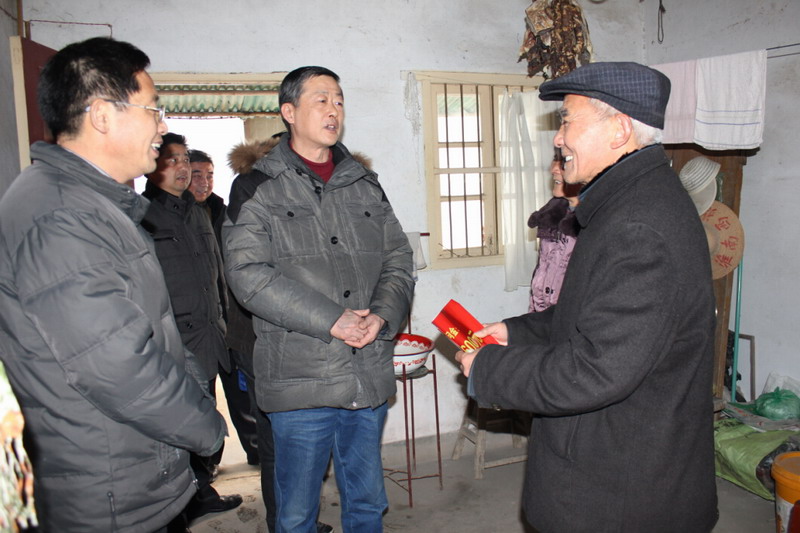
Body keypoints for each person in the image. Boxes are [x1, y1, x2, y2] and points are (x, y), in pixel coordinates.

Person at [455, 62, 718, 533]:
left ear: (619, 130)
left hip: (620, 490)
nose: (558, 139)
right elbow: (593, 314)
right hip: (617, 467)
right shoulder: (630, 203)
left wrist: (490, 368)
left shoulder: (639, 225)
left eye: (567, 120)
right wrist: (516, 332)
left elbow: (595, 370)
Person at [0, 37, 226, 533]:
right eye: (153, 110)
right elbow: (117, 366)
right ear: (102, 115)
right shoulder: (60, 216)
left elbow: (146, 328)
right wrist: (204, 425)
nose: (162, 126)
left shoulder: (92, 204)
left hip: (127, 471)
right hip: (105, 488)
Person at [223, 66, 415, 533]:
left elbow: (398, 257)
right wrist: (333, 319)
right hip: (300, 378)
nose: (334, 110)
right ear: (289, 112)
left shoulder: (364, 182)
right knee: (296, 514)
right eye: (321, 100)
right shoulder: (256, 185)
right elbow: (247, 274)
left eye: (339, 100)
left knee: (367, 503)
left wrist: (382, 316)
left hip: (365, 372)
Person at [143, 134, 243, 522]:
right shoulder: (142, 216)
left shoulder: (200, 212)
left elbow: (216, 275)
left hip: (210, 334)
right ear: (152, 166)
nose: (183, 168)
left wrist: (225, 323)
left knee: (204, 414)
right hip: (174, 341)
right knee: (178, 423)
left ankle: (200, 491)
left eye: (186, 159)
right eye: (173, 160)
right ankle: (180, 501)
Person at [188, 149, 260, 469]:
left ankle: (256, 450)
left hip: (230, 314)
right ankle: (207, 463)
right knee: (202, 395)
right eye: (197, 175)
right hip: (197, 322)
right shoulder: (174, 214)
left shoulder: (223, 209)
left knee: (240, 391)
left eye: (209, 175)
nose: (204, 182)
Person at [527, 149, 581, 312]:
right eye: (555, 159)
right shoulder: (551, 216)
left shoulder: (600, 223)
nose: (553, 169)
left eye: (565, 160)